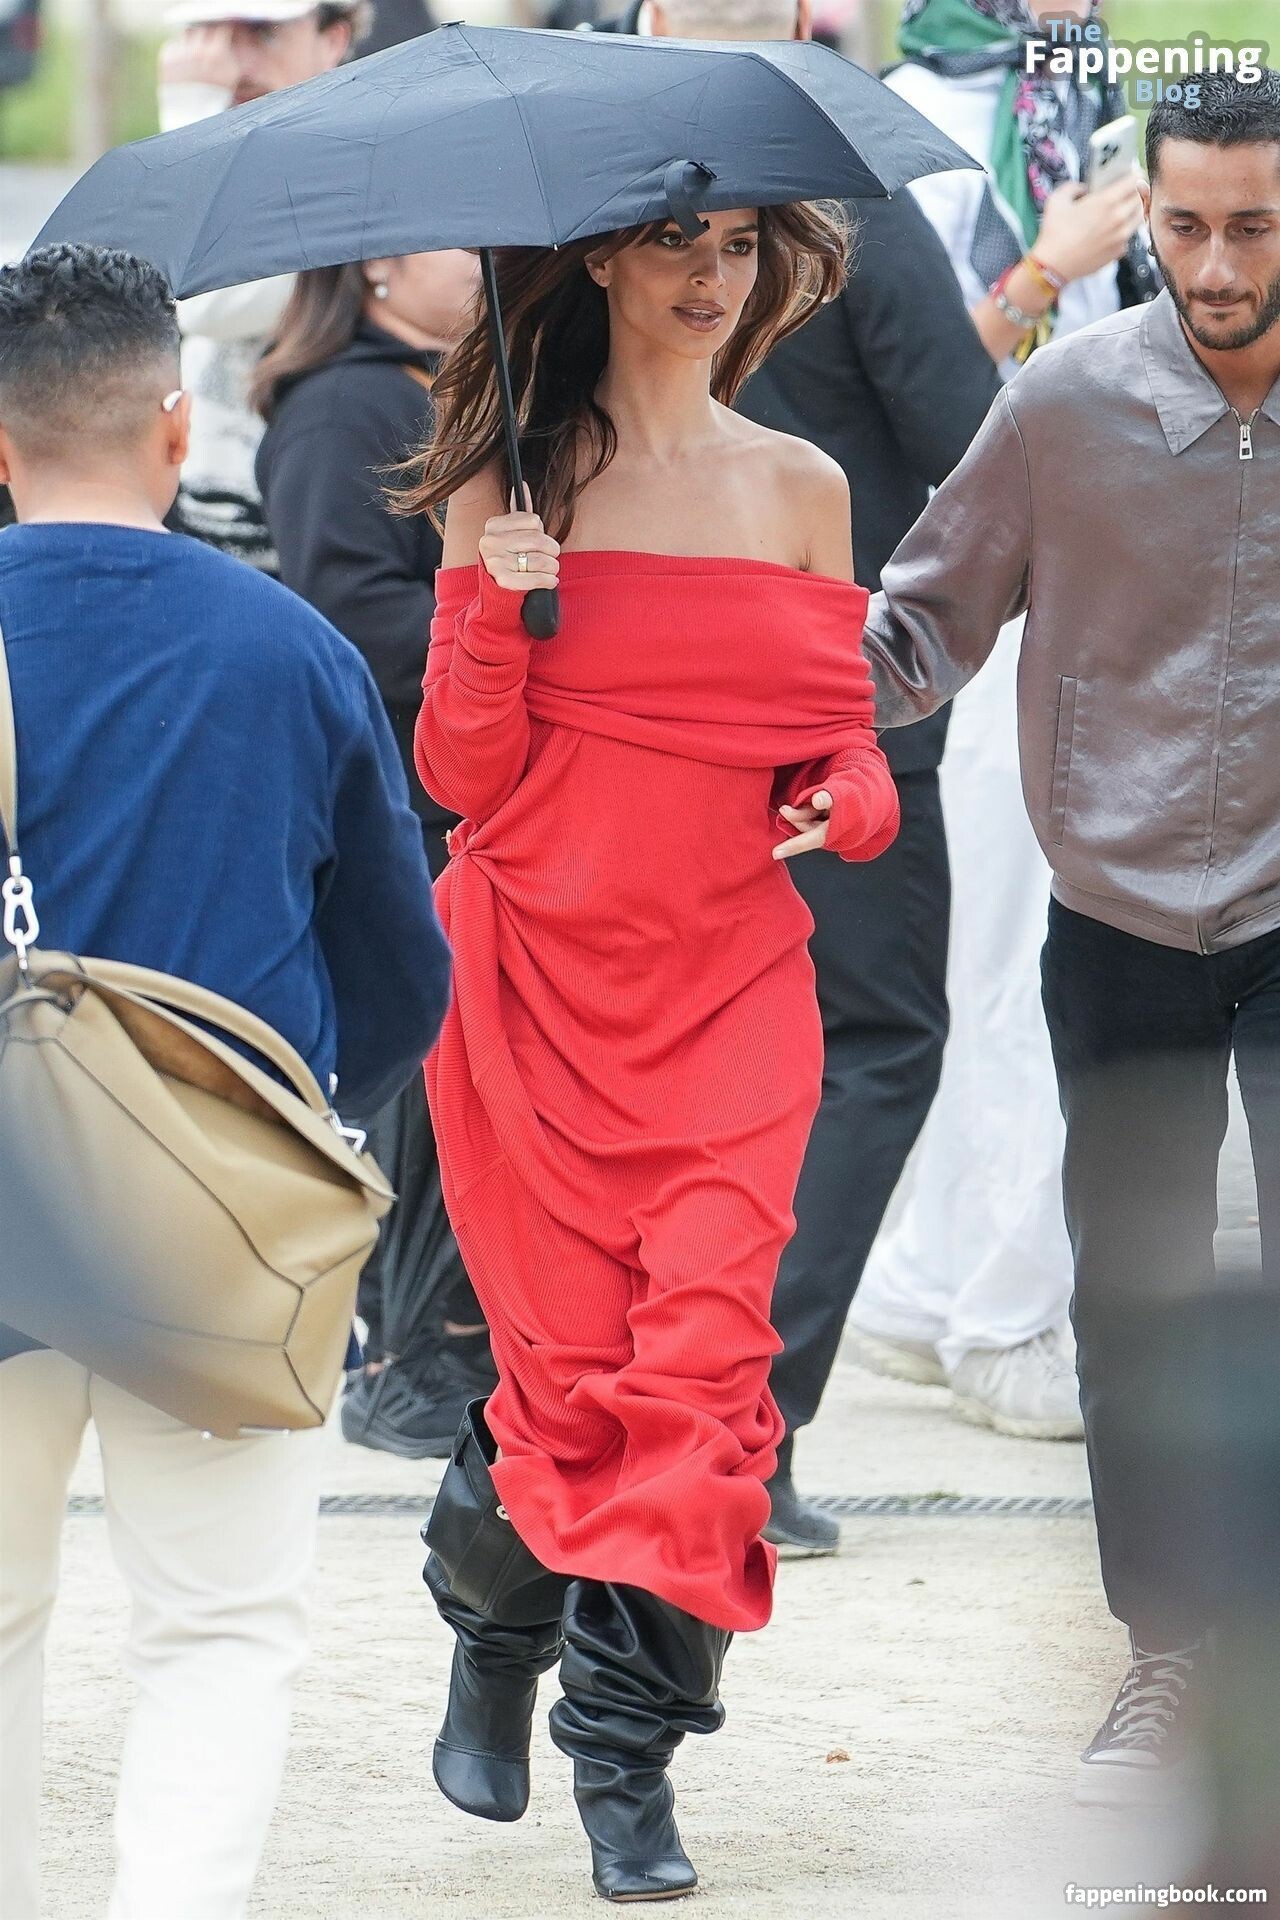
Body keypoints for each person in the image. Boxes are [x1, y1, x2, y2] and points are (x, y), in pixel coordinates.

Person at [406, 205, 899, 1898]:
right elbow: (459, 778)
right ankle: (492, 1628)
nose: (712, 274)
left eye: (743, 245)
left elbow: (832, 738)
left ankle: (626, 1765)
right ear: (604, 260)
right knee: (563, 1383)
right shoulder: (510, 485)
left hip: (729, 996)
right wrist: (496, 603)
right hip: (536, 989)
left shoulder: (805, 486)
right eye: (679, 240)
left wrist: (851, 799)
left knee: (699, 1382)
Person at [0, 244, 450, 1920]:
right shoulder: (290, 651)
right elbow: (403, 980)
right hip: (220, 1226)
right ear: (175, 427)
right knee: (219, 1629)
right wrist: (299, 1125)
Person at [858, 70, 1280, 1804]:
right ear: (1146, 215)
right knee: (1137, 1299)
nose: (1216, 264)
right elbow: (917, 629)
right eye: (1184, 226)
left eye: (1254, 227)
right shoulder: (1065, 404)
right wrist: (739, 697)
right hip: (1118, 916)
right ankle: (1169, 1650)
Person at [634, 0, 1000, 1553]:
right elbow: (976, 445)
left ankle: (661, 1411)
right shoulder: (839, 205)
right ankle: (743, 1427)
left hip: (640, 696)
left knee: (680, 1057)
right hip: (826, 692)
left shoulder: (590, 209)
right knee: (871, 1046)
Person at [849, 0, 1151, 1438]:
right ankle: (1005, 1313)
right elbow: (916, 381)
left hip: (1109, 547)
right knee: (1041, 951)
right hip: (994, 564)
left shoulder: (1092, 105)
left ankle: (923, 1287)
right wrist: (1049, 265)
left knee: (1026, 944)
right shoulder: (909, 119)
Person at [255, 247, 499, 1458]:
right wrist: (508, 623)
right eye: (457, 238)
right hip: (401, 797)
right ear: (381, 265)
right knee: (422, 1076)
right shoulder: (342, 405)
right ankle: (408, 1360)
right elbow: (342, 609)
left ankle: (444, 1347)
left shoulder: (445, 388)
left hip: (464, 786)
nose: (483, 258)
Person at [156, 0, 369, 569]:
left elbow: (203, 297)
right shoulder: (234, 155)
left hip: (312, 519)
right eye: (211, 34)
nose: (233, 63)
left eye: (263, 33)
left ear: (332, 40)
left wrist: (194, 116)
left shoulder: (351, 158)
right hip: (200, 506)